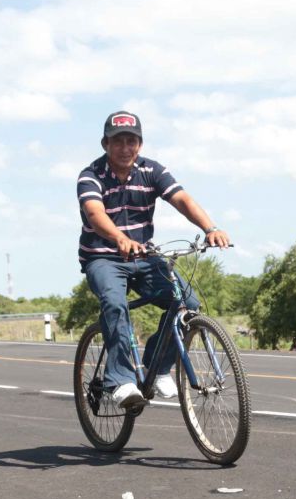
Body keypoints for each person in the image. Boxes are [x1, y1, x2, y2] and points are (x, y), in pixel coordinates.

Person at [76, 110, 230, 411]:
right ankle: (120, 380)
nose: (124, 147)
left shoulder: (152, 171)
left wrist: (210, 228)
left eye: (131, 140)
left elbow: (182, 199)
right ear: (105, 143)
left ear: (140, 144)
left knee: (187, 305)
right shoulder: (90, 175)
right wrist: (119, 237)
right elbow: (95, 214)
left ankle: (158, 367)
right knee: (115, 305)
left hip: (144, 257)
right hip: (103, 258)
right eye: (117, 141)